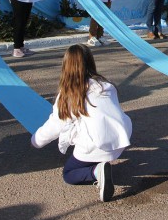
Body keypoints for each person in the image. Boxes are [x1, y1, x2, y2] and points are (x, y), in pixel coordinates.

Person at [31, 44, 132, 203]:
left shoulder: (69, 94)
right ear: (90, 62)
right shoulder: (106, 86)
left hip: (95, 145)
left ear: (66, 66)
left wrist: (36, 140)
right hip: (119, 141)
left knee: (69, 174)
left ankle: (96, 172)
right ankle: (99, 164)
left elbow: (56, 124)